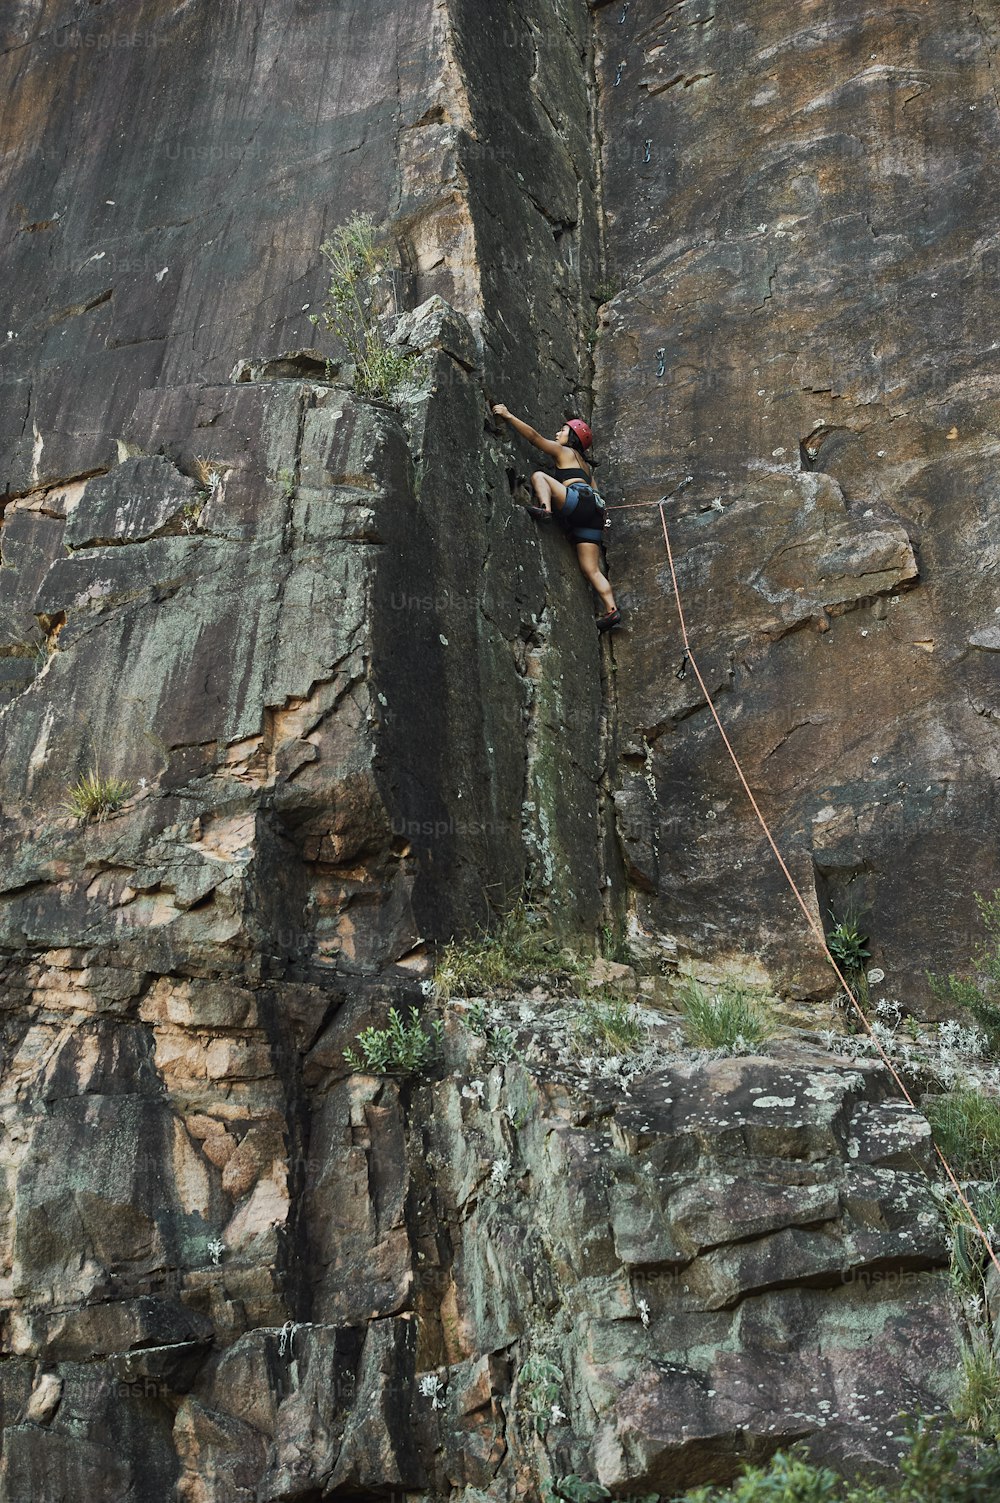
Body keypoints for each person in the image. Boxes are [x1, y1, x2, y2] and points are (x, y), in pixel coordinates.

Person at [491, 403, 621, 631]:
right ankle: (612, 610)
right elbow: (597, 494)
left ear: (572, 438)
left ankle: (545, 508)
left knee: (539, 476)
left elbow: (534, 438)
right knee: (591, 569)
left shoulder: (564, 452)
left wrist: (508, 415)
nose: (558, 433)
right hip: (594, 513)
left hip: (578, 501)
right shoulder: (587, 469)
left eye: (562, 431)